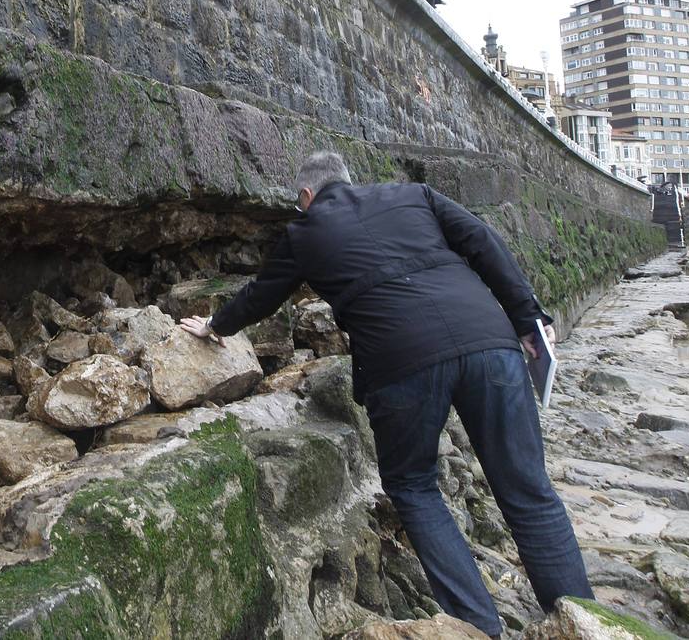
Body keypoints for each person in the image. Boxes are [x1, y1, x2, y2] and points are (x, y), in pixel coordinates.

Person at [179, 151, 594, 637]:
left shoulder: (304, 231)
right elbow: (482, 241)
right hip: (490, 342)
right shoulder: (413, 194)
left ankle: (480, 628)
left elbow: (262, 294)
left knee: (415, 487)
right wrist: (528, 316)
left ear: (307, 196)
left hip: (401, 363)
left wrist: (215, 326)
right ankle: (584, 623)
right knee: (529, 490)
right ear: (350, 180)